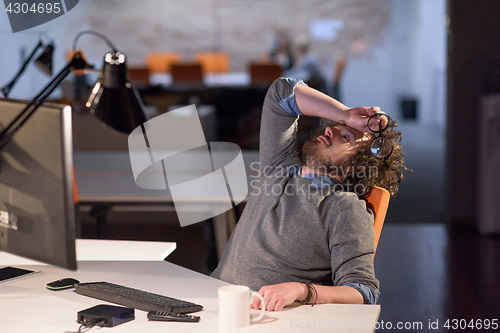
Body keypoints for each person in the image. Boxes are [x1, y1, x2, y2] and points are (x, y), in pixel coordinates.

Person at [210, 77, 409, 311]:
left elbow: (363, 290)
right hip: (212, 298)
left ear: (354, 167)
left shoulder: (344, 207)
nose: (330, 130)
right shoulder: (279, 164)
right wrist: (345, 114)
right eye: (335, 125)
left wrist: (301, 290)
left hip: (261, 316)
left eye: (345, 137)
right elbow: (280, 92)